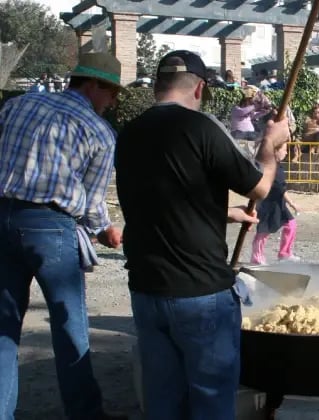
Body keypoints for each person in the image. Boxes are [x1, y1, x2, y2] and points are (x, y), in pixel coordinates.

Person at [114, 50, 290, 419]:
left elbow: (162, 202)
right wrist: (269, 148)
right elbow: (259, 187)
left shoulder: (129, 133)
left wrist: (223, 213)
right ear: (200, 89)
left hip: (147, 290)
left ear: (158, 86)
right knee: (211, 402)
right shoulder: (201, 127)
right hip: (199, 292)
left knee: (162, 402)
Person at [0, 53, 125, 420]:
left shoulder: (20, 103)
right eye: (112, 93)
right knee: (70, 324)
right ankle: (85, 414)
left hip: (1, 214)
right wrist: (104, 230)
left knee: (4, 325)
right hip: (50, 226)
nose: (113, 101)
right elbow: (92, 198)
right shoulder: (100, 132)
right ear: (92, 85)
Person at [250, 145, 300, 265]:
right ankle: (257, 257)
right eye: (284, 150)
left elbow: (282, 188)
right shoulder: (268, 167)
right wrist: (292, 204)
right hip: (267, 203)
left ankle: (285, 253)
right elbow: (279, 188)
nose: (286, 153)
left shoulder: (279, 166)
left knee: (291, 225)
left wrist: (291, 203)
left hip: (279, 202)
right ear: (276, 152)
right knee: (264, 230)